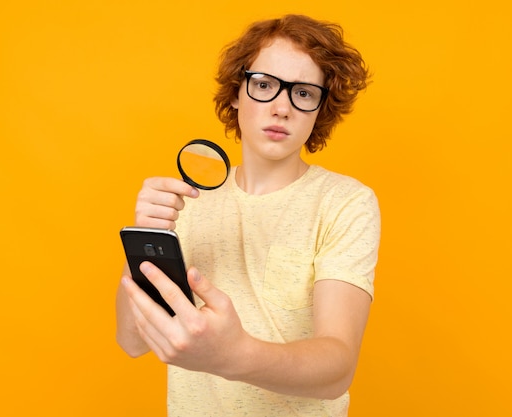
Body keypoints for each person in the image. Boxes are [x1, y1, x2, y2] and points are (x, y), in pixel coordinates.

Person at [116, 14, 380, 417]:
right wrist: (144, 239)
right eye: (264, 85)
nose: (281, 108)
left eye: (304, 93)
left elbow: (337, 368)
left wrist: (233, 355)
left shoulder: (346, 202)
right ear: (237, 92)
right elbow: (132, 341)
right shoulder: (185, 203)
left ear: (320, 109)